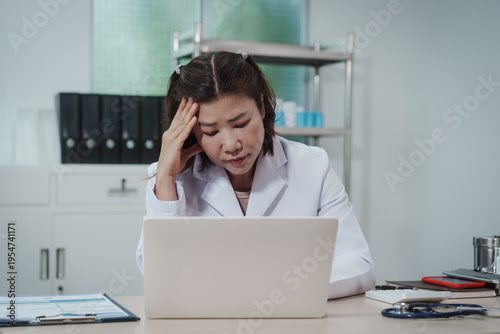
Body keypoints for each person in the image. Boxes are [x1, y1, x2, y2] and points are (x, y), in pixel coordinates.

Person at [136, 51, 375, 299]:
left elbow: (359, 266)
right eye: (210, 131)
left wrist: (279, 290)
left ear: (261, 106)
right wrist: (164, 178)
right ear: (191, 132)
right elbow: (160, 275)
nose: (230, 145)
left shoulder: (313, 166)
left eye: (240, 124)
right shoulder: (173, 180)